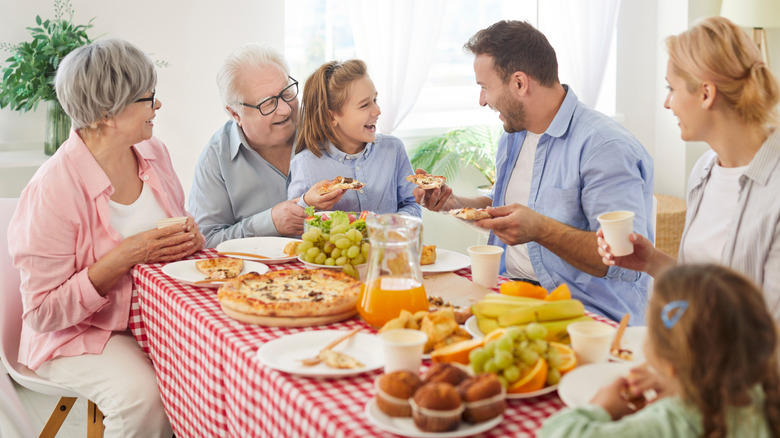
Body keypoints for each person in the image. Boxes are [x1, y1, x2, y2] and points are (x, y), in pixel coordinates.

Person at [8, 39, 202, 437]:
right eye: (149, 98)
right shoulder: (52, 190)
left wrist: (189, 237)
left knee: (214, 370)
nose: (158, 106)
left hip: (154, 320)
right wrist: (122, 258)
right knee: (143, 396)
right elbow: (42, 314)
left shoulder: (152, 151)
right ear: (107, 113)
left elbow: (172, 231)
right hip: (76, 334)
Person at [415, 20, 654, 324]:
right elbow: (509, 206)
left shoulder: (604, 147)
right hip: (511, 295)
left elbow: (622, 259)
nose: (482, 100)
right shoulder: (514, 135)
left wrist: (541, 230)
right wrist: (454, 204)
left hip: (586, 314)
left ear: (519, 83)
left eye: (485, 88)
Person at [598, 17, 780, 320]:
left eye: (671, 88)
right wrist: (651, 261)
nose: (668, 103)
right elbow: (702, 285)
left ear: (706, 94)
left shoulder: (774, 190)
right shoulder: (704, 172)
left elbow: (770, 332)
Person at [540, 264, 780, 437]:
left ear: (670, 362)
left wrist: (601, 408)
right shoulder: (765, 397)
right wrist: (676, 384)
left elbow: (556, 432)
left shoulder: (667, 423)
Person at [189, 43, 308, 248]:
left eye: (287, 92)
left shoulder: (324, 128)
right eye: (267, 103)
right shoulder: (216, 157)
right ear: (236, 114)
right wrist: (270, 223)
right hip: (252, 276)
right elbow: (205, 241)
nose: (284, 109)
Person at [287, 59, 421, 217]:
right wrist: (307, 202)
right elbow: (297, 226)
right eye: (364, 105)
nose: (377, 111)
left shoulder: (393, 149)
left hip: (386, 241)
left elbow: (411, 203)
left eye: (375, 100)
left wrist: (386, 226)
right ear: (331, 117)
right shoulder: (305, 165)